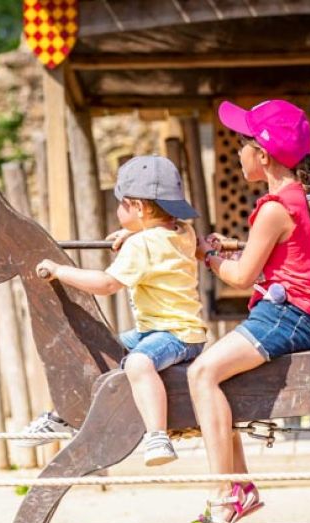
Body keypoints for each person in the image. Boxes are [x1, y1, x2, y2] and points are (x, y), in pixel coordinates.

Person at [188, 100, 310, 523]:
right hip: (293, 311)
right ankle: (242, 487)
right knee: (218, 380)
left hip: (290, 315)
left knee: (202, 372)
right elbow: (265, 263)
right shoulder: (291, 199)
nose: (237, 153)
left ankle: (223, 492)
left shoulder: (274, 208)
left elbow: (239, 277)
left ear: (263, 157)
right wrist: (225, 253)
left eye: (241, 144)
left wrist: (207, 254)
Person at [34, 155, 207, 466]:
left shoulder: (142, 247)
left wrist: (59, 271)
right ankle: (65, 414)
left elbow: (106, 283)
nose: (118, 211)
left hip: (175, 335)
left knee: (138, 363)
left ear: (137, 208)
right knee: (101, 348)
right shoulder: (184, 232)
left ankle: (157, 436)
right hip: (172, 330)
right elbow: (163, 232)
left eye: (122, 204)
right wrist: (134, 232)